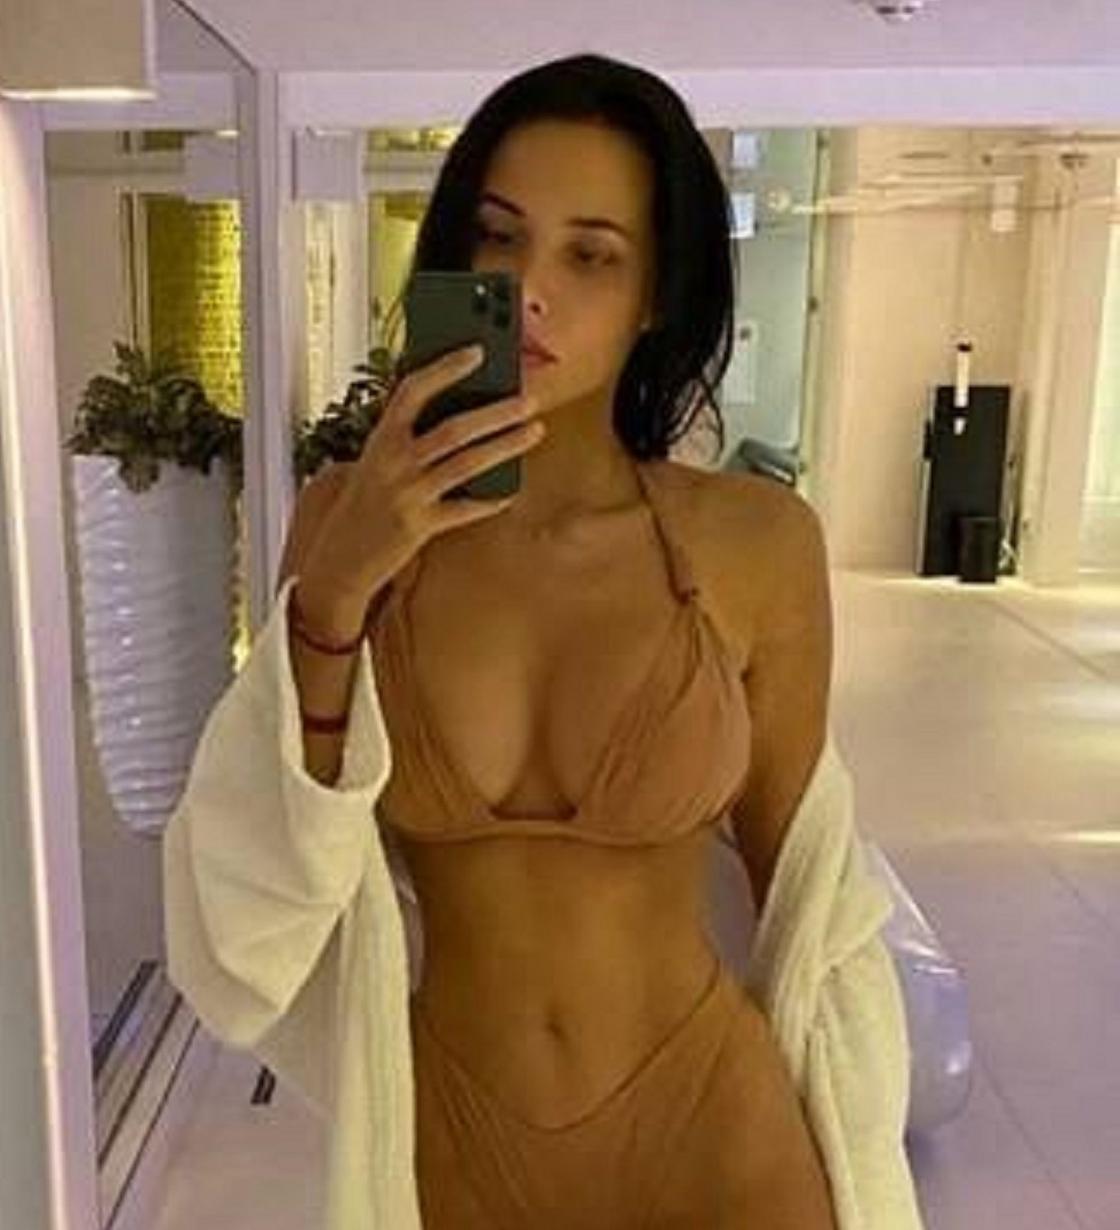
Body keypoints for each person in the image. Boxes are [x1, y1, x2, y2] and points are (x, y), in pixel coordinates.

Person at [165, 52, 922, 1230]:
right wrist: (341, 587)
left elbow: (807, 894)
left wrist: (857, 1134)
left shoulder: (754, 545)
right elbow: (276, 867)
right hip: (455, 1135)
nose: (527, 288)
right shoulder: (345, 524)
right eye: (499, 236)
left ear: (654, 294)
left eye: (590, 254)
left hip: (716, 1132)